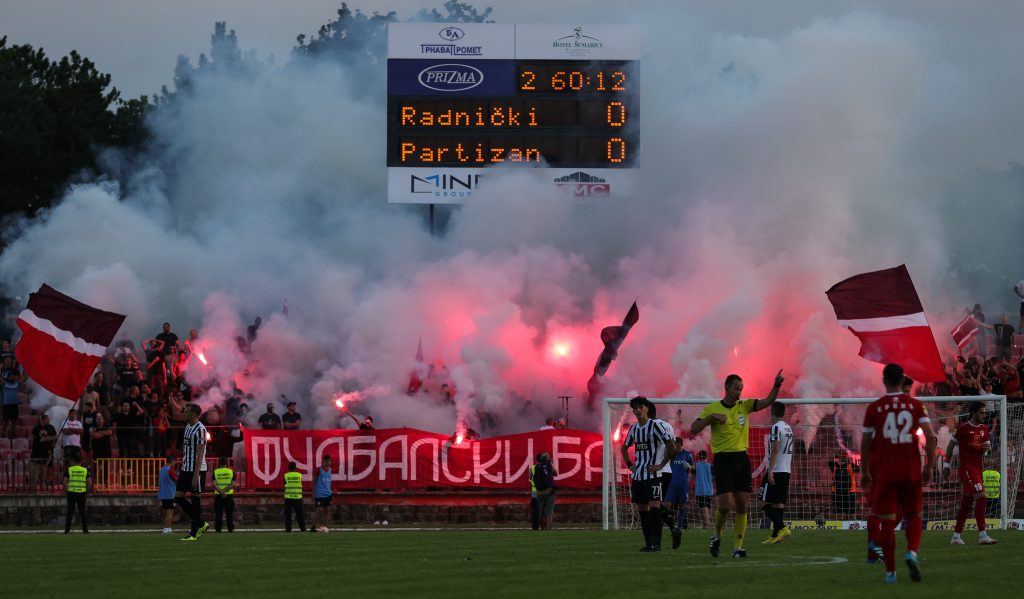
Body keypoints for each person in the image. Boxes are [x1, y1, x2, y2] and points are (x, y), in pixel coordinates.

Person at [691, 369, 785, 559]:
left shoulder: (745, 405)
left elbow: (768, 402)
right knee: (725, 506)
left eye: (741, 389)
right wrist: (711, 418)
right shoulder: (712, 408)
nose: (739, 392)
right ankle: (716, 536)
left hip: (741, 459)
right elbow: (693, 429)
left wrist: (776, 385)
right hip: (723, 460)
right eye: (736, 389)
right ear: (727, 387)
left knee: (743, 505)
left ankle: (737, 548)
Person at [860, 363, 937, 584]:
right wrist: (929, 467)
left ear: (884, 380)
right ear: (902, 381)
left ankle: (890, 573)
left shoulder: (874, 408)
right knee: (913, 515)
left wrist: (864, 470)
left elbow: (866, 442)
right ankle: (911, 553)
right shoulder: (915, 406)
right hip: (911, 470)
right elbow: (931, 438)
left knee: (887, 521)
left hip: (885, 473)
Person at [620, 396, 675, 552]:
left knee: (655, 507)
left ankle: (657, 544)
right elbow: (624, 448)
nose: (637, 410)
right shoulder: (634, 429)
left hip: (653, 475)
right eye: (635, 408)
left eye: (640, 407)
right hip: (638, 476)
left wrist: (661, 465)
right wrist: (630, 465)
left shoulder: (656, 426)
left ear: (647, 408)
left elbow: (671, 447)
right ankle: (649, 543)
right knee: (643, 509)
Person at [942, 401, 997, 545]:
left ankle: (955, 537)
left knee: (967, 503)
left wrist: (987, 448)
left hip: (978, 469)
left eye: (985, 413)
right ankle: (983, 535)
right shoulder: (963, 428)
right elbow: (950, 445)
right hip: (966, 469)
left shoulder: (985, 429)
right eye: (982, 412)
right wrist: (947, 466)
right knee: (982, 497)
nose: (984, 415)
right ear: (973, 413)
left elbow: (986, 452)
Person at [760, 402, 794, 544]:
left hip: (776, 469)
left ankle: (782, 528)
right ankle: (776, 536)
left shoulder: (775, 427)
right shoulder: (788, 428)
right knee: (778, 504)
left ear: (771, 412)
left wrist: (770, 470)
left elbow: (775, 448)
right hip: (786, 470)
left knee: (763, 503)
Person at [175, 403, 210, 541]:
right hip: (186, 468)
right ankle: (201, 523)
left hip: (197, 469)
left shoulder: (200, 429)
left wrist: (196, 475)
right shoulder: (188, 426)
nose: (184, 414)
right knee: (178, 497)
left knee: (195, 500)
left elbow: (200, 454)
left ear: (194, 414)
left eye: (187, 412)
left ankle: (194, 533)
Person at [666, 437, 695, 537]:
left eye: (677, 446)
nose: (676, 448)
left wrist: (690, 467)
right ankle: (671, 526)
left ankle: (679, 527)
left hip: (683, 484)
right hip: (671, 484)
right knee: (667, 505)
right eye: (674, 446)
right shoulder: (671, 455)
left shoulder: (687, 455)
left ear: (681, 445)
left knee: (682, 506)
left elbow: (694, 467)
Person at [63, 450, 91, 533]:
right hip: (82, 493)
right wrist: (86, 491)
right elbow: (89, 483)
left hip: (71, 493)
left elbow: (64, 482)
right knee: (82, 512)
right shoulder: (85, 470)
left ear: (73, 461)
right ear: (80, 461)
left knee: (70, 512)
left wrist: (67, 491)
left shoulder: (69, 470)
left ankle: (67, 530)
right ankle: (85, 530)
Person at [828, 448, 859, 518]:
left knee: (851, 513)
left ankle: (853, 526)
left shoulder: (851, 465)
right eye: (841, 455)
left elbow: (859, 468)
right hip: (837, 491)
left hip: (850, 492)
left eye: (844, 455)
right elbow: (830, 460)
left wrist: (850, 459)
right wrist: (834, 453)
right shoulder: (834, 465)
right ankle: (839, 526)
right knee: (838, 513)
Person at [30, 414, 58, 492]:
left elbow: (56, 437)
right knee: (34, 474)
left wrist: (48, 441)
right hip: (36, 454)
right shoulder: (37, 428)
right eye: (46, 419)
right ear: (42, 420)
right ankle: (33, 490)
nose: (48, 421)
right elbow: (34, 438)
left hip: (46, 454)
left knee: (44, 475)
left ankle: (44, 490)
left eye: (48, 419)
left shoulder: (51, 427)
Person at [532, 452, 557, 530]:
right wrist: (551, 463)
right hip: (549, 490)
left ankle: (542, 527)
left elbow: (532, 479)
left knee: (541, 511)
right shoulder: (549, 465)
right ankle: (548, 528)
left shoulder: (535, 467)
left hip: (538, 492)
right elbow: (555, 473)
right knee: (549, 510)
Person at [212, 457, 237, 533]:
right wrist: (225, 491)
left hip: (218, 495)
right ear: (227, 463)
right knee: (229, 513)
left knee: (218, 513)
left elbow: (214, 484)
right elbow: (233, 484)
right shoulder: (231, 472)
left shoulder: (215, 472)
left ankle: (218, 529)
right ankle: (230, 528)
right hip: (229, 495)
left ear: (219, 463)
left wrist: (221, 491)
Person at [283, 461, 306, 532]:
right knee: (300, 514)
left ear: (288, 468)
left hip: (288, 497)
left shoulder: (286, 475)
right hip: (298, 497)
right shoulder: (299, 475)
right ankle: (303, 528)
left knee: (288, 515)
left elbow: (284, 485)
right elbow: (301, 485)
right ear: (295, 468)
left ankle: (288, 529)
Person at [693, 450, 714, 529]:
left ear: (698, 457)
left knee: (703, 508)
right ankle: (707, 526)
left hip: (700, 491)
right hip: (709, 491)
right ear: (706, 457)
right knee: (708, 509)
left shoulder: (696, 465)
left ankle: (707, 526)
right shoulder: (711, 466)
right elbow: (714, 477)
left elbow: (691, 477)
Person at [158, 454, 178, 534]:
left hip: (163, 494)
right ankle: (167, 529)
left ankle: (167, 528)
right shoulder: (170, 470)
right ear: (172, 461)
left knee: (167, 512)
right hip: (170, 494)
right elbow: (177, 479)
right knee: (170, 512)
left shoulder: (162, 469)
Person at [313, 455, 333, 532]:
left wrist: (331, 491)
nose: (328, 462)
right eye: (327, 461)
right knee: (318, 510)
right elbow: (314, 480)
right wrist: (313, 492)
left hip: (328, 494)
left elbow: (329, 482)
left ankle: (325, 526)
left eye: (329, 461)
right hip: (320, 494)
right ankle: (313, 527)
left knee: (326, 510)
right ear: (323, 461)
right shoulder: (318, 470)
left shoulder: (330, 470)